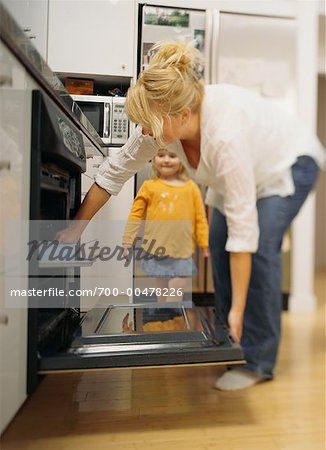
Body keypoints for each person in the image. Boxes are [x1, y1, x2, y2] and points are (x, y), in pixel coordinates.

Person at [56, 41, 325, 391]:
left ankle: (257, 360)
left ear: (183, 115)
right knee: (218, 240)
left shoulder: (225, 134)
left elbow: (244, 233)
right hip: (246, 171)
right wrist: (75, 231)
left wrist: (238, 308)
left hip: (288, 164)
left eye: (149, 125)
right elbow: (114, 172)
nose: (146, 133)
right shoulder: (163, 121)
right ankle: (232, 344)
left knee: (258, 250)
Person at [122, 148, 209, 302]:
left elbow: (200, 218)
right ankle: (165, 320)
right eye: (161, 156)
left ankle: (170, 312)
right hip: (157, 248)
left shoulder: (191, 188)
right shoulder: (149, 186)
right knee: (161, 288)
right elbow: (136, 214)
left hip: (181, 249)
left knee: (178, 283)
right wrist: (127, 241)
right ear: (154, 159)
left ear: (181, 160)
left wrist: (204, 243)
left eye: (172, 155)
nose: (166, 160)